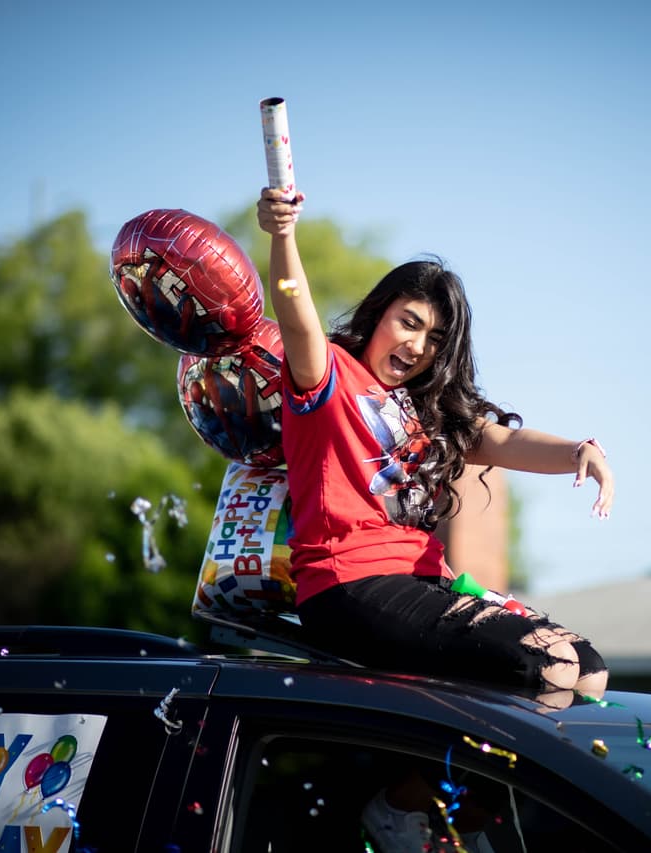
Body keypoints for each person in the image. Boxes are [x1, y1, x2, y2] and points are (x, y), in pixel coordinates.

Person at [257, 186, 614, 849]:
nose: (418, 345)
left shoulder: (427, 410)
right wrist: (283, 235)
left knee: (587, 673)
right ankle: (400, 803)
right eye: (409, 321)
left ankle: (462, 820)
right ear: (379, 314)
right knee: (550, 666)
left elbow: (500, 441)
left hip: (423, 581)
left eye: (436, 337)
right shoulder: (326, 376)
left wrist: (578, 451)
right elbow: (294, 307)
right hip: (346, 582)